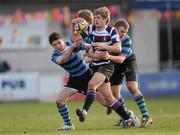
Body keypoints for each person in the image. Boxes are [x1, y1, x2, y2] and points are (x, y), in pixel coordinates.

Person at [75, 7, 135, 128]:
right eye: (95, 17)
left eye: (98, 18)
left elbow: (118, 48)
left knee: (91, 85)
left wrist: (105, 47)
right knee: (109, 98)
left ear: (105, 19)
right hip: (95, 66)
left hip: (107, 65)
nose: (96, 20)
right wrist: (74, 24)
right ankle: (128, 118)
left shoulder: (111, 31)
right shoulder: (91, 30)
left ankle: (84, 111)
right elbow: (79, 40)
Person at [96, 19, 152, 128]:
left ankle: (146, 116)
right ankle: (126, 116)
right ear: (114, 29)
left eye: (125, 32)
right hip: (114, 63)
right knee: (115, 94)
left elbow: (121, 59)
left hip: (128, 61)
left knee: (132, 87)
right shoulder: (106, 37)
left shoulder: (127, 40)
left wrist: (108, 56)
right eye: (121, 31)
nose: (123, 34)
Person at [49, 32, 93, 130]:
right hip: (75, 79)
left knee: (106, 100)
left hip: (87, 75)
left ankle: (127, 115)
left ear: (63, 41)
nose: (58, 46)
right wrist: (72, 47)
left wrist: (89, 56)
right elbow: (62, 60)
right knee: (60, 100)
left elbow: (90, 47)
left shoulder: (71, 44)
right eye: (54, 45)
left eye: (59, 42)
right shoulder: (54, 56)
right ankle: (68, 124)